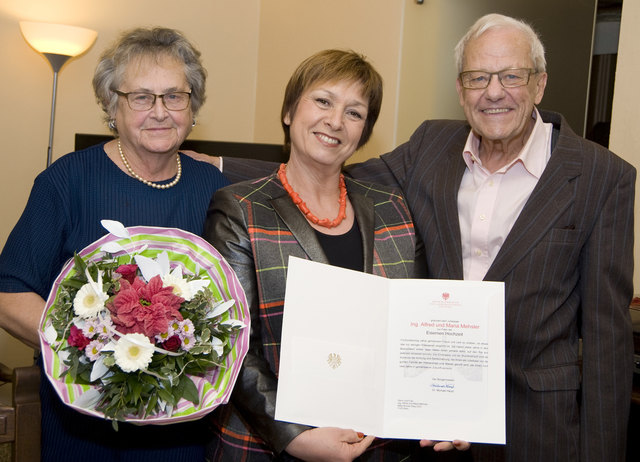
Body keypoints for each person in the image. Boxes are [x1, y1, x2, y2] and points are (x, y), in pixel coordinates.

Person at [215, 14, 636, 462]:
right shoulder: (432, 147)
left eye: (512, 75)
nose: (494, 92)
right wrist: (210, 164)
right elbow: (328, 169)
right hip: (427, 432)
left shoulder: (601, 177)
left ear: (540, 84)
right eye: (478, 77)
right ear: (461, 88)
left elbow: (608, 341)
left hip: (535, 426)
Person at [203, 49, 468, 461]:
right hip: (266, 447)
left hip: (375, 447)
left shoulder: (393, 209)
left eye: (354, 113)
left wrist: (445, 407)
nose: (335, 121)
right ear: (290, 111)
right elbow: (229, 343)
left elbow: (415, 331)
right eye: (323, 101)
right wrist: (291, 434)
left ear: (364, 132)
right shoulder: (240, 208)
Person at [0, 27, 229, 461]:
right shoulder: (65, 181)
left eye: (174, 96)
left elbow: (231, 301)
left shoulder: (214, 188)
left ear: (192, 105)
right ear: (111, 106)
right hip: (86, 424)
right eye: (141, 97)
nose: (159, 112)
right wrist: (96, 350)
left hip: (180, 429)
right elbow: (8, 295)